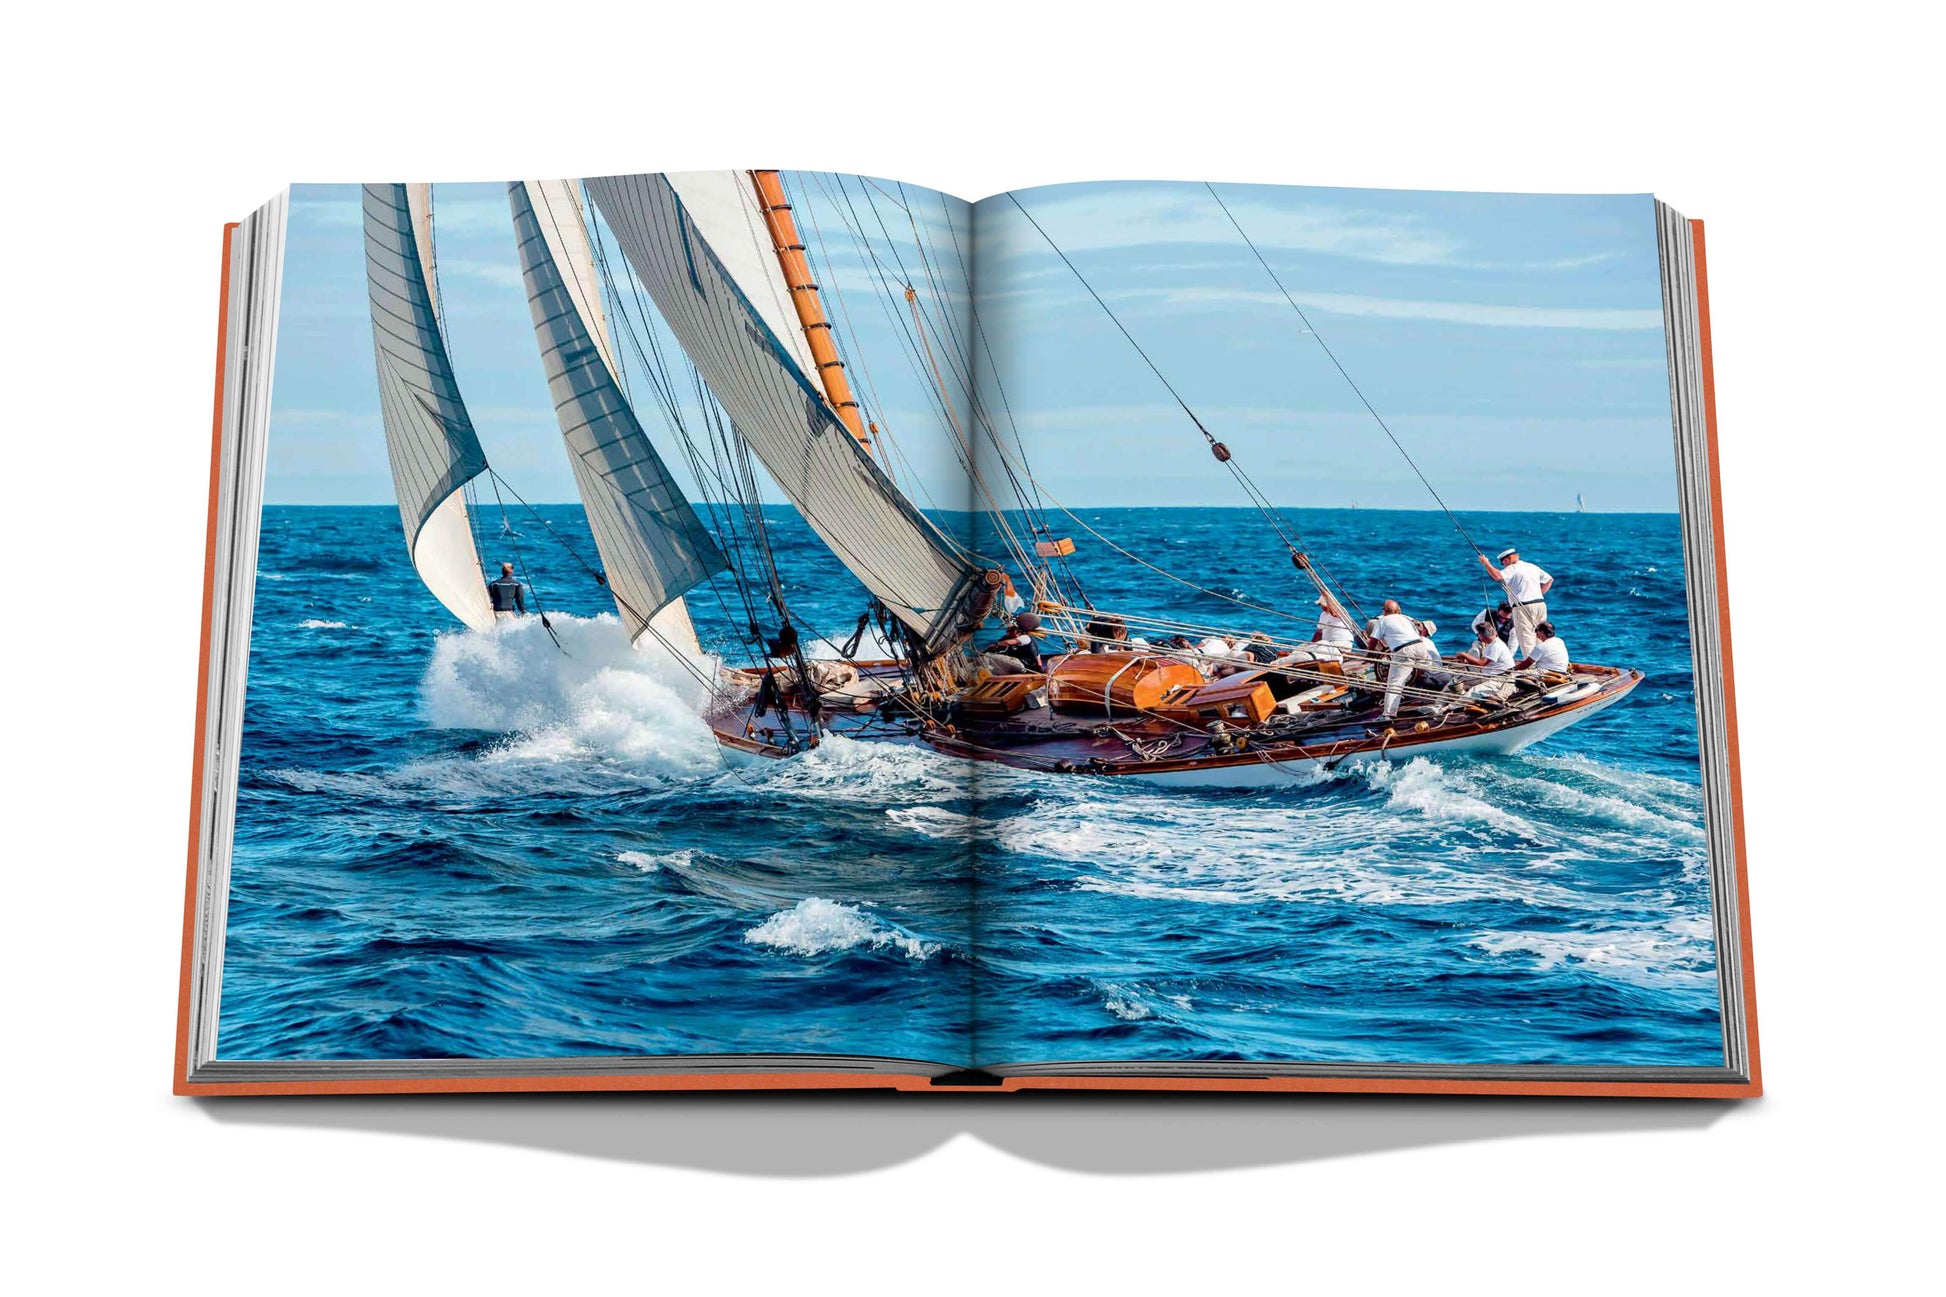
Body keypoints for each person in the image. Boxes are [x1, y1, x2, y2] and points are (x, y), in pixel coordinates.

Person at [1366, 599, 1443, 720]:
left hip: (1404, 651)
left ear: (1384, 610)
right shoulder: (1407, 618)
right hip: (1420, 646)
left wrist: (1369, 655)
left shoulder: (1383, 620)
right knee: (1435, 670)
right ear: (1398, 610)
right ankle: (1455, 686)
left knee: (1395, 683)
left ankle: (1388, 715)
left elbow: (1373, 640)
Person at [1476, 546, 1554, 655]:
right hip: (1540, 605)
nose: (1505, 566)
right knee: (1540, 637)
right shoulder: (1532, 566)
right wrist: (1538, 594)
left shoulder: (1513, 568)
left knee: (1526, 639)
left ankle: (1531, 669)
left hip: (1523, 607)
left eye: (1504, 563)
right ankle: (1543, 663)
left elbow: (1498, 576)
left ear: (1507, 559)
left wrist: (1486, 563)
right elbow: (1549, 579)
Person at [1453, 618, 1517, 701]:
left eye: (1479, 634)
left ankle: (1450, 707)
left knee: (1473, 691)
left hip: (1499, 679)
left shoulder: (1495, 646)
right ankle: (1440, 704)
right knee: (1456, 682)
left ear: (1482, 636)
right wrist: (1466, 661)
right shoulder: (1492, 644)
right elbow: (1484, 663)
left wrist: (1464, 654)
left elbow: (1481, 663)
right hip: (1488, 675)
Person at [976, 611, 1044, 676]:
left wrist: (997, 644)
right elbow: (1038, 660)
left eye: (1010, 631)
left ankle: (979, 673)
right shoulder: (1008, 638)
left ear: (1018, 632)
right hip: (1018, 667)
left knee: (988, 656)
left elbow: (1009, 642)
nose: (1008, 633)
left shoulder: (1026, 638)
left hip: (1020, 664)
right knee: (988, 659)